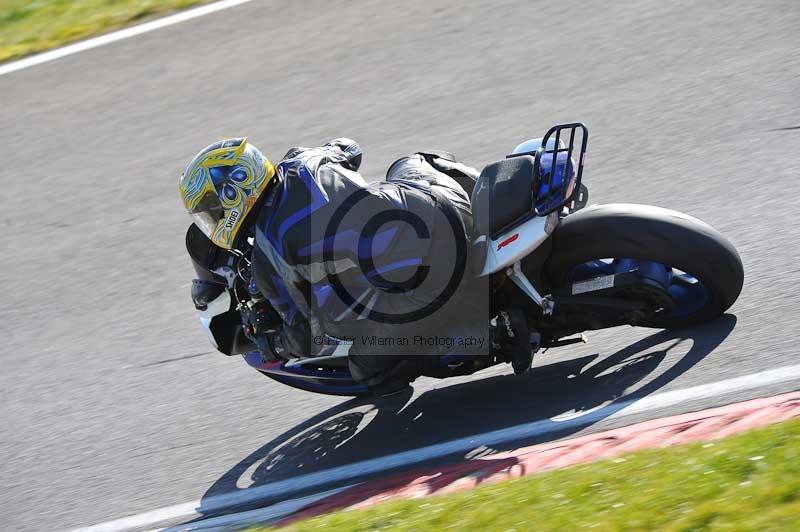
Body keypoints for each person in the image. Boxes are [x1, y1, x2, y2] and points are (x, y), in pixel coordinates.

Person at [179, 137, 532, 395]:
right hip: (446, 207)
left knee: (368, 367)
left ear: (233, 194)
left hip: (433, 278)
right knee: (408, 163)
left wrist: (273, 345)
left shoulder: (266, 258)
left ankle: (494, 335)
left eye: (212, 211)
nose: (212, 221)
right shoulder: (304, 160)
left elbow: (306, 335)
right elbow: (350, 148)